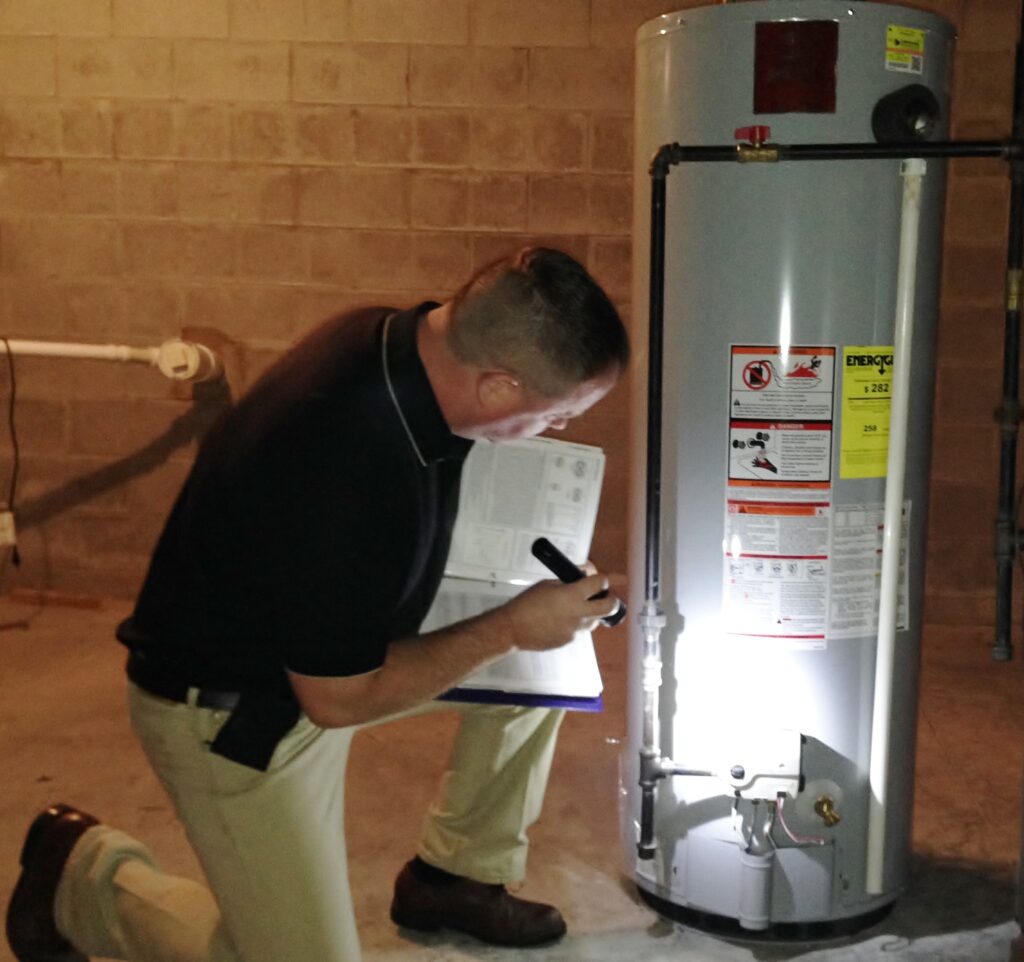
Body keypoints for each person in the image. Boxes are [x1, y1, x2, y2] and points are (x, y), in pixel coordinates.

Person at [6, 247, 630, 962]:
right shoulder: (348, 464)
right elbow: (338, 699)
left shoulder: (403, 341)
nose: (552, 430)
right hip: (237, 713)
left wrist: (523, 617)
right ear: (495, 387)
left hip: (324, 638)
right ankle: (83, 879)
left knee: (541, 679)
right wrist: (514, 624)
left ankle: (455, 877)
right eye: (553, 416)